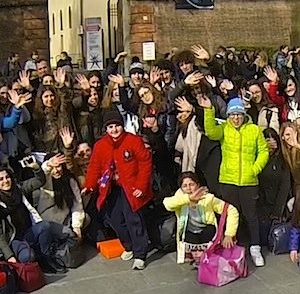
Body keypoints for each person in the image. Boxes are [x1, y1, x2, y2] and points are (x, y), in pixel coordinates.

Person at [197, 95, 269, 267]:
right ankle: (233, 247)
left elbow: (263, 151)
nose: (236, 118)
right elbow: (211, 132)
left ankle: (255, 247)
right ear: (228, 115)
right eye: (232, 115)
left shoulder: (254, 130)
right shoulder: (224, 128)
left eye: (238, 114)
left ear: (244, 115)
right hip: (228, 180)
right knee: (230, 214)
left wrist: (254, 169)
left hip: (249, 181)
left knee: (251, 216)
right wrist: (208, 110)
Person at [83, 109, 155, 269]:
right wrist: (89, 185)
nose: (114, 130)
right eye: (110, 127)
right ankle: (128, 246)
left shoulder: (133, 141)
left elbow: (145, 163)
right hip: (111, 188)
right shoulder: (100, 145)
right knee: (114, 219)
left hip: (131, 187)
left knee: (134, 220)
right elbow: (94, 167)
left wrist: (141, 186)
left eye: (117, 126)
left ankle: (140, 254)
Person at [163, 171, 239, 265]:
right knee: (187, 237)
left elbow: (231, 210)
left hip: (206, 232)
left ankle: (206, 255)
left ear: (198, 185)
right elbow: (167, 204)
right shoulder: (180, 198)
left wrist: (229, 234)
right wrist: (189, 199)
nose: (189, 188)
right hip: (190, 233)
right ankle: (195, 255)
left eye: (191, 184)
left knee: (209, 232)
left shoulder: (207, 198)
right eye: (185, 186)